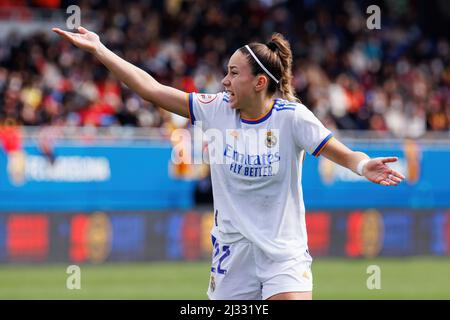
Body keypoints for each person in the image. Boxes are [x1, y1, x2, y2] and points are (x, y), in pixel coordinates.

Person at [53, 26, 405, 300]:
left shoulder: (293, 117)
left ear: (259, 82)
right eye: (226, 71)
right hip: (232, 256)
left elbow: (342, 153)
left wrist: (363, 166)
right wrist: (100, 50)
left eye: (234, 73)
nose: (224, 81)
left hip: (284, 256)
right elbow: (151, 89)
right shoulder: (216, 108)